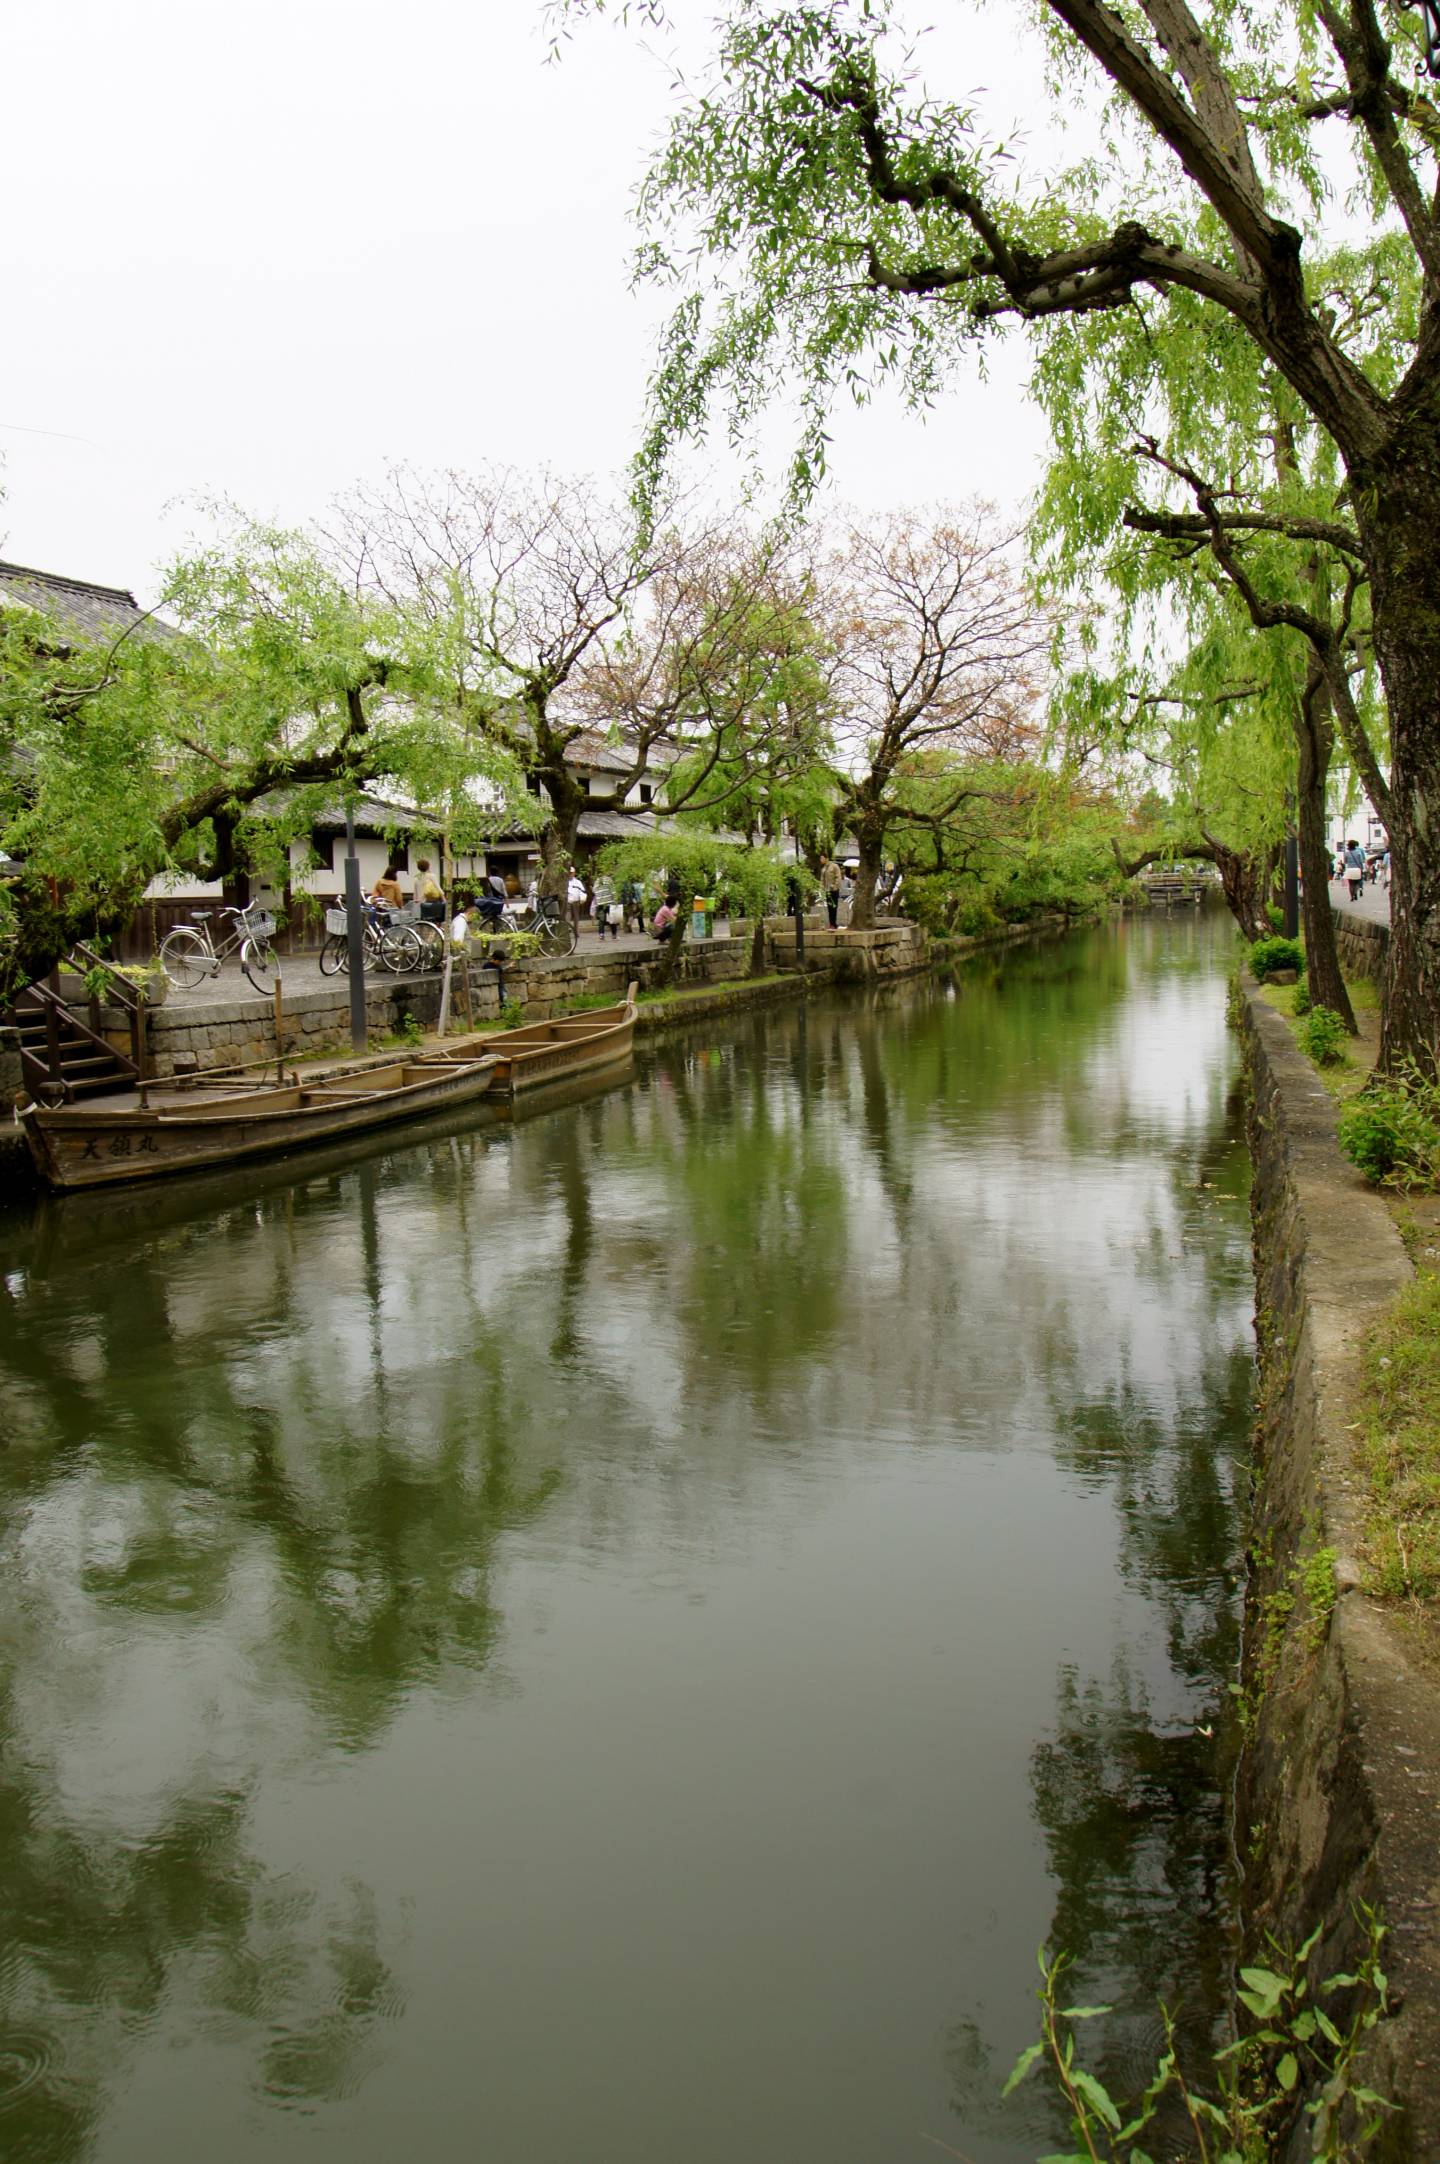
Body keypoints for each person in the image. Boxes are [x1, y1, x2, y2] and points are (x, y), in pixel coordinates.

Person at [414, 857, 446, 924]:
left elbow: (415, 895)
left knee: (423, 924)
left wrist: (416, 905)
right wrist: (445, 901)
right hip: (430, 905)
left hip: (421, 905)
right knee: (433, 923)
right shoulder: (432, 876)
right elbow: (439, 890)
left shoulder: (416, 878)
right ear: (428, 866)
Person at [592, 873, 619, 939]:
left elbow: (594, 891)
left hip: (600, 903)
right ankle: (614, 935)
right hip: (609, 903)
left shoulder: (597, 881)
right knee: (612, 919)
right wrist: (615, 901)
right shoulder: (609, 880)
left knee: (601, 920)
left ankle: (601, 934)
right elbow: (613, 891)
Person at [821, 856, 842, 928]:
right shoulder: (823, 869)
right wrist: (822, 887)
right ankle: (831, 923)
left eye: (822, 858)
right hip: (827, 890)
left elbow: (838, 877)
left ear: (827, 858)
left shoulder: (834, 866)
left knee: (834, 907)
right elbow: (822, 879)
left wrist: (835, 885)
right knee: (829, 907)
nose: (821, 860)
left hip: (834, 890)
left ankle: (833, 923)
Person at [1343, 837, 1366, 902]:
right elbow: (1361, 862)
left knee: (1351, 884)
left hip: (1350, 869)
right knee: (1356, 883)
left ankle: (1351, 896)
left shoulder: (1346, 853)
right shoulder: (1358, 852)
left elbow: (1345, 862)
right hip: (1357, 869)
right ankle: (1355, 893)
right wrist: (1361, 869)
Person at [566, 868, 588, 932]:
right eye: (569, 873)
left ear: (574, 873)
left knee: (576, 917)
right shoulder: (565, 881)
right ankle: (567, 929)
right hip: (568, 901)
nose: (570, 874)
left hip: (576, 901)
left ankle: (576, 931)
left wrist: (582, 898)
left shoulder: (578, 882)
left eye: (571, 873)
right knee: (567, 916)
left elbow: (582, 891)